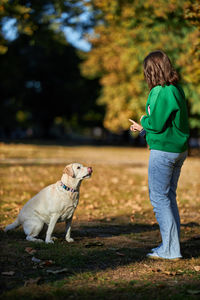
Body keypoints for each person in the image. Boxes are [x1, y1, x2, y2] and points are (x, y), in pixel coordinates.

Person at [129, 50, 190, 260]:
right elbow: (169, 125)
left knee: (159, 198)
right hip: (178, 150)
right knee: (168, 197)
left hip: (164, 153)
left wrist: (144, 120)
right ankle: (172, 246)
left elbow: (155, 122)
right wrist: (144, 129)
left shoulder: (161, 91)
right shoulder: (177, 89)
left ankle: (170, 250)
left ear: (151, 71)